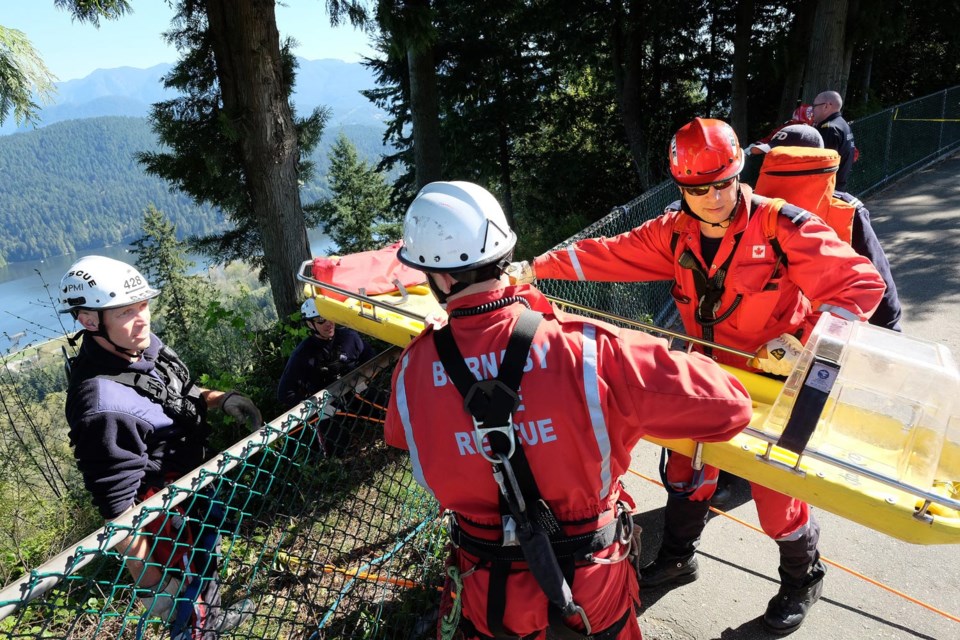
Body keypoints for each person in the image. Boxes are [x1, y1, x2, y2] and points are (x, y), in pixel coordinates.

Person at [509, 118, 885, 634]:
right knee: (686, 471)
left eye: (722, 183)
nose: (710, 197)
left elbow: (861, 286)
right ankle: (678, 558)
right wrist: (536, 267)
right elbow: (609, 252)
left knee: (776, 497)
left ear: (739, 173)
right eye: (695, 188)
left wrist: (803, 341)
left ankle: (804, 577)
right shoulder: (673, 231)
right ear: (681, 187)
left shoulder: (783, 226)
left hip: (772, 383)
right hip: (704, 372)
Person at [384, 181, 754, 640]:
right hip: (590, 586)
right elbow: (731, 406)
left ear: (438, 278)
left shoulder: (412, 370)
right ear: (505, 252)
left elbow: (405, 437)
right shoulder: (587, 350)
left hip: (489, 588)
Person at [59, 255, 261, 638]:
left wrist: (219, 399)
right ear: (89, 320)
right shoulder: (101, 405)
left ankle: (213, 620)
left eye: (143, 305)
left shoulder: (139, 346)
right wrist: (154, 585)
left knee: (205, 568)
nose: (142, 320)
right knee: (185, 601)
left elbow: (177, 393)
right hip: (160, 515)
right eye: (125, 313)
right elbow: (118, 513)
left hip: (192, 487)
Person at [752, 123, 902, 331]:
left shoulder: (755, 209)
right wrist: (891, 331)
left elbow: (878, 287)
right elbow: (881, 284)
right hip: (818, 331)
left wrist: (889, 331)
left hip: (799, 332)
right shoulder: (845, 209)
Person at [277, 297, 376, 410]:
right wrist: (315, 408)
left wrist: (363, 379)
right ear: (310, 324)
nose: (329, 323)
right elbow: (285, 393)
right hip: (331, 411)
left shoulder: (349, 338)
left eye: (329, 316)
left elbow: (371, 359)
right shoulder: (302, 354)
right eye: (320, 319)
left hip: (361, 397)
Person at [812, 90, 856, 191]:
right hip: (838, 186)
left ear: (826, 106)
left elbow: (822, 166)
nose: (812, 110)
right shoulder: (842, 124)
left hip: (827, 190)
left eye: (814, 106)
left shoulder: (829, 129)